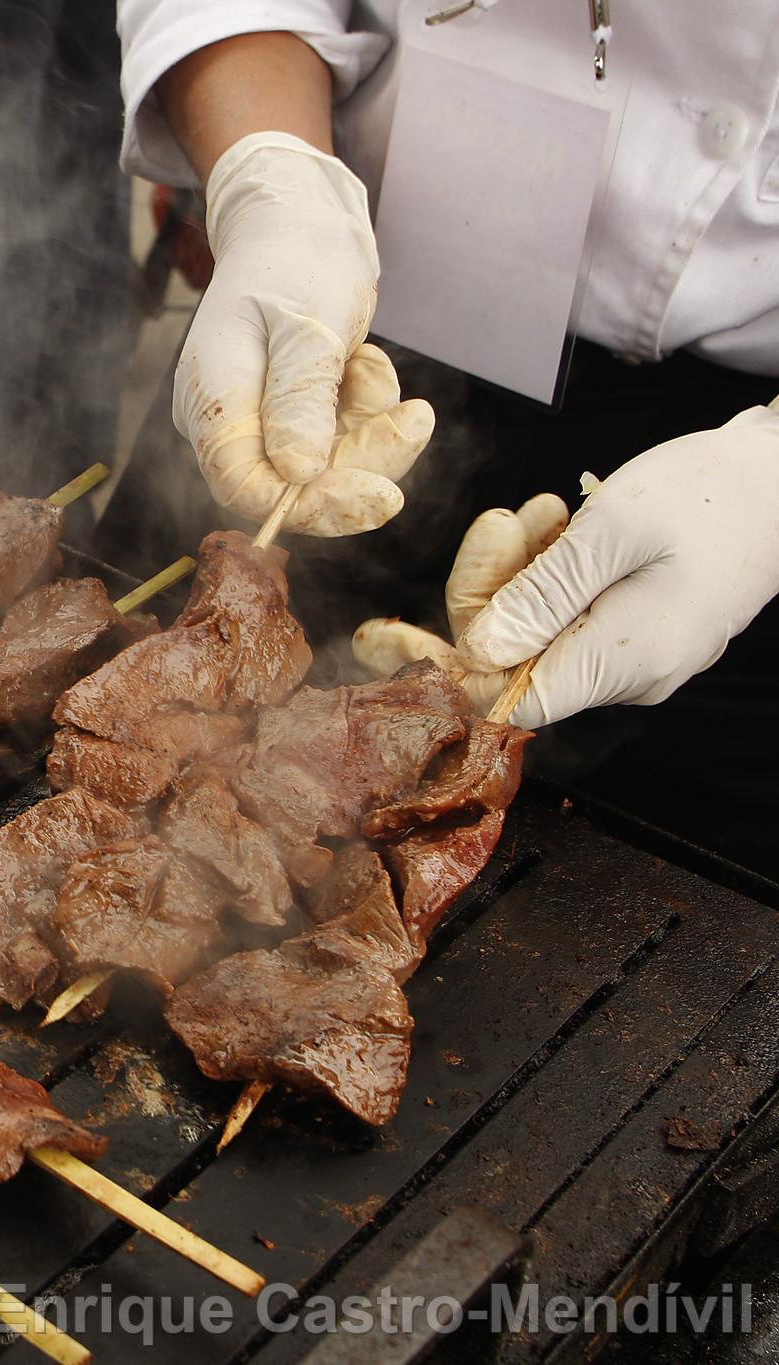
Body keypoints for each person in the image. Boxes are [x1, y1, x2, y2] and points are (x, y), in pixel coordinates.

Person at [114, 8, 779, 878]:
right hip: (352, 302)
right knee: (137, 718)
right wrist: (270, 178)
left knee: (676, 895)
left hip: (743, 448)